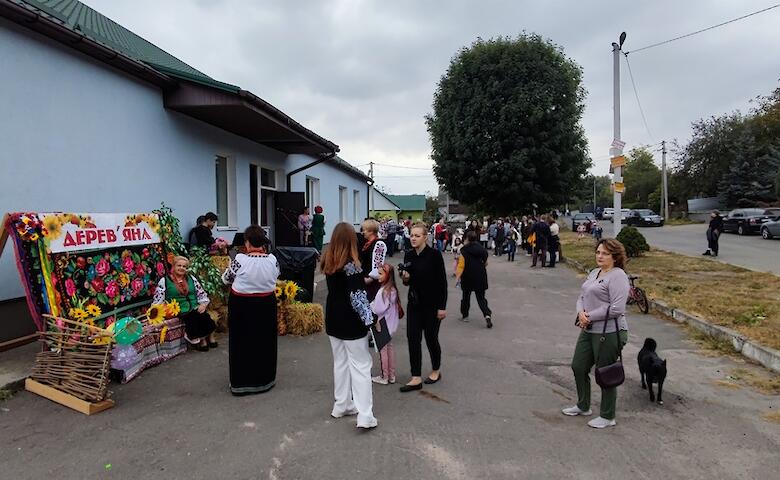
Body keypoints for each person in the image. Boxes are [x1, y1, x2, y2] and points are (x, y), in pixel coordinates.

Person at [563, 238, 630, 429]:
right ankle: (583, 405)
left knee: (605, 372)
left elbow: (617, 308)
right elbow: (582, 296)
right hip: (589, 328)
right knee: (578, 366)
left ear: (615, 257)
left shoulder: (618, 276)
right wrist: (581, 313)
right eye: (598, 252)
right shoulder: (594, 272)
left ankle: (608, 416)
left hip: (609, 332)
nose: (600, 256)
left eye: (605, 253)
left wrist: (589, 316)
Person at [321, 222, 377, 429]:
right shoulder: (352, 265)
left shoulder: (329, 261)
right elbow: (358, 298)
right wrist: (370, 319)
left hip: (333, 318)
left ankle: (342, 404)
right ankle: (365, 415)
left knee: (341, 363)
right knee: (361, 366)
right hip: (351, 321)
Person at [221, 226, 280, 395]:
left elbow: (226, 278)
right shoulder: (272, 260)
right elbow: (276, 275)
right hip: (266, 305)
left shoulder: (240, 259)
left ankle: (241, 382)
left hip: (242, 305)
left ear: (247, 242)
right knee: (264, 341)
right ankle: (265, 379)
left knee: (242, 342)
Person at [399, 223, 448, 392]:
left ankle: (436, 370)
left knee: (431, 338)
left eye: (417, 236)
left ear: (425, 237)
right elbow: (408, 283)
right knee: (413, 339)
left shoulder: (434, 255)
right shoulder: (409, 255)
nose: (413, 238)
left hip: (432, 305)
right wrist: (405, 279)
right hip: (414, 304)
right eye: (411, 235)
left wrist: (442, 307)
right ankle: (416, 377)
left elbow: (442, 283)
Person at [153, 256, 216, 351]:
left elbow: (201, 292)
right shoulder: (165, 281)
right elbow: (158, 298)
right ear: (173, 266)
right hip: (179, 309)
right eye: (179, 265)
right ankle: (203, 340)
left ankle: (210, 338)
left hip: (195, 306)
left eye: (184, 266)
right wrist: (156, 312)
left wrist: (203, 304)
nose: (182, 268)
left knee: (204, 315)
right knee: (195, 316)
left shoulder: (191, 278)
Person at [370, 263, 402, 385]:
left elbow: (377, 309)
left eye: (380, 274)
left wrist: (370, 306)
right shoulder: (393, 290)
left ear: (387, 275)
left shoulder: (383, 291)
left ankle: (384, 376)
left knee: (383, 350)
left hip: (382, 325)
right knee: (389, 349)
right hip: (391, 325)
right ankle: (391, 375)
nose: (378, 276)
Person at [456, 230, 492, 328]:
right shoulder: (481, 249)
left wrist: (458, 276)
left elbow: (461, 265)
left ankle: (465, 315)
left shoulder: (463, 250)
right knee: (481, 298)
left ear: (466, 238)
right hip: (480, 275)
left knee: (466, 297)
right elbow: (485, 260)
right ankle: (487, 315)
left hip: (467, 276)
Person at [359, 219, 387, 302]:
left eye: (364, 230)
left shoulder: (379, 244)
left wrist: (370, 278)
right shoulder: (367, 243)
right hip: (365, 278)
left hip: (372, 281)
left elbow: (378, 265)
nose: (363, 232)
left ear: (371, 231)